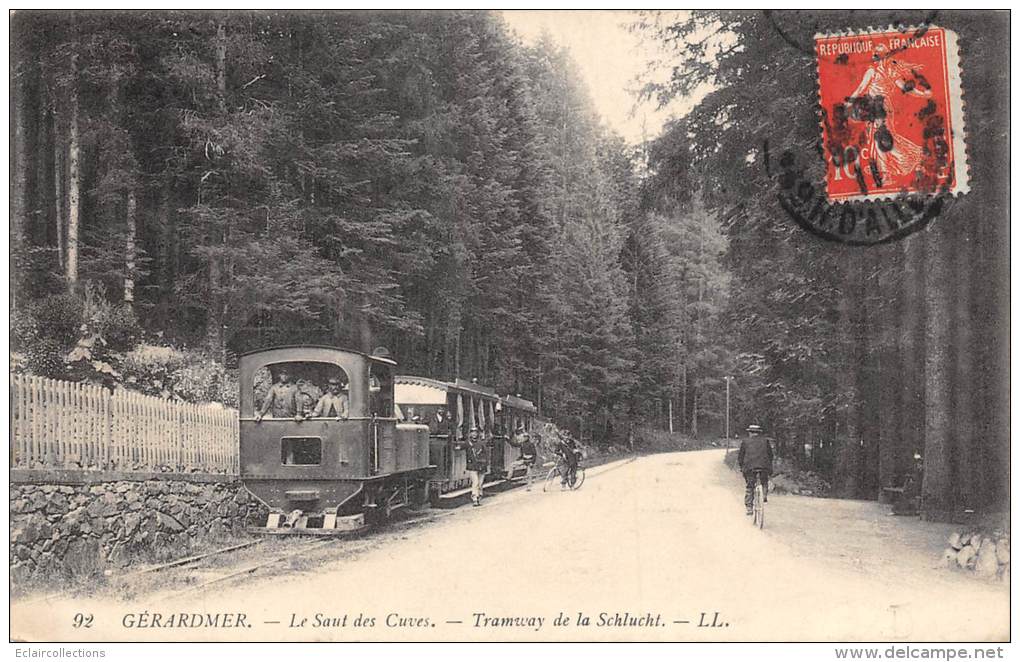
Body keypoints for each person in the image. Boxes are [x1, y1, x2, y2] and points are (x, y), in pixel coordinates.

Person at [738, 424, 774, 516]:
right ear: (759, 433)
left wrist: (741, 467)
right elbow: (770, 455)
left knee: (750, 486)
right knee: (764, 480)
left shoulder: (745, 442)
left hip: (749, 467)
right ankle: (764, 495)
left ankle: (749, 507)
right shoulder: (765, 441)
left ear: (750, 432)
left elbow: (741, 457)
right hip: (764, 467)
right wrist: (769, 465)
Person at [509, 426, 538, 490]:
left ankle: (529, 487)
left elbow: (534, 454)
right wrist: (518, 459)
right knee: (512, 465)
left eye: (525, 437)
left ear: (528, 438)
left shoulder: (531, 444)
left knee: (529, 474)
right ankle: (508, 477)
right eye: (524, 437)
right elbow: (516, 446)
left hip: (530, 460)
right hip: (524, 459)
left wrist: (532, 462)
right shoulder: (522, 444)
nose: (524, 438)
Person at [465, 426, 488, 507]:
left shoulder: (481, 443)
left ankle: (479, 496)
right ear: (470, 434)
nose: (474, 434)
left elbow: (485, 454)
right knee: (476, 482)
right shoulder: (467, 443)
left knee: (480, 483)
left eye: (475, 432)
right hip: (472, 466)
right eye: (472, 432)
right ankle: (475, 498)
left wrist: (485, 464)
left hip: (481, 465)